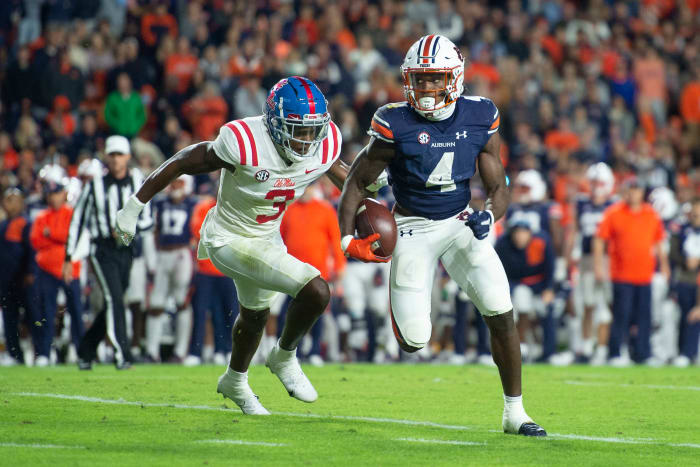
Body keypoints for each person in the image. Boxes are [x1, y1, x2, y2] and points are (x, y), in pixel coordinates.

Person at [114, 77, 385, 414]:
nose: (305, 140)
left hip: (266, 238)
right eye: (296, 129)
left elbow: (339, 170)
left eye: (312, 130)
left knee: (254, 315)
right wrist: (134, 205)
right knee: (316, 290)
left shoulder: (324, 143)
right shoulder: (244, 141)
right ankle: (284, 356)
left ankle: (235, 381)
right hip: (228, 238)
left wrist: (367, 195)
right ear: (273, 124)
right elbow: (185, 160)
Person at [337, 35, 546, 436]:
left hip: (462, 221)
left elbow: (499, 183)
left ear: (456, 77)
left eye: (435, 79)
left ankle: (515, 412)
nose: (427, 89)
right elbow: (357, 183)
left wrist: (490, 217)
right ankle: (404, 321)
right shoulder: (394, 121)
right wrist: (347, 239)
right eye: (420, 79)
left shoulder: (480, 114)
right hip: (411, 227)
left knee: (501, 311)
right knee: (415, 341)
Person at [65, 135, 153, 370]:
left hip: (127, 247)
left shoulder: (138, 181)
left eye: (119, 155)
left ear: (127, 157)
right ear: (106, 157)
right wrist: (68, 256)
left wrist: (125, 230)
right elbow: (78, 220)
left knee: (113, 303)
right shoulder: (94, 184)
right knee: (114, 299)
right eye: (111, 155)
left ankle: (85, 350)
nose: (115, 160)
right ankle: (122, 355)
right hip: (102, 249)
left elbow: (147, 220)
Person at [593, 177, 669, 366]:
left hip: (645, 274)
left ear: (642, 193)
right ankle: (615, 352)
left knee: (644, 315)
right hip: (621, 274)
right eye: (631, 189)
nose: (633, 193)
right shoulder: (614, 212)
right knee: (621, 314)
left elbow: (659, 242)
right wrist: (598, 266)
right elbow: (599, 239)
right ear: (625, 191)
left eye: (637, 189)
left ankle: (643, 353)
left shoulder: (651, 214)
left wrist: (664, 265)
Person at [30, 165, 85, 367]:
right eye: (51, 193)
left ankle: (81, 351)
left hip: (70, 269)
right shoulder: (42, 217)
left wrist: (50, 235)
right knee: (46, 313)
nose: (53, 197)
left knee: (77, 312)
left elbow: (72, 237)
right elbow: (36, 241)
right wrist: (58, 238)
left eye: (57, 192)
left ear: (64, 193)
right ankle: (44, 352)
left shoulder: (71, 213)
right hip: (46, 270)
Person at [145, 175, 196, 363]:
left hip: (182, 254)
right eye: (173, 181)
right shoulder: (159, 203)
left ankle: (180, 352)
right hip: (163, 254)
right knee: (156, 303)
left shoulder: (192, 204)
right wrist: (152, 258)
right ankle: (152, 352)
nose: (174, 186)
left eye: (179, 182)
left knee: (181, 300)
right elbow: (153, 231)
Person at [184, 195, 238, 367]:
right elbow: (198, 231)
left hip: (228, 269)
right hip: (206, 269)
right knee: (201, 312)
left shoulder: (236, 207)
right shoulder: (204, 207)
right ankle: (196, 351)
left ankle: (227, 350)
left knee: (230, 313)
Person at [572, 162, 615, 364]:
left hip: (610, 260)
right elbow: (574, 230)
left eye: (600, 182)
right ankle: (587, 345)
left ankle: (603, 348)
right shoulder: (581, 203)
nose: (597, 186)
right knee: (588, 303)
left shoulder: (615, 205)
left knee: (605, 305)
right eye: (594, 182)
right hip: (588, 259)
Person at [495, 219, 556, 363]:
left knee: (548, 309)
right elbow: (498, 271)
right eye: (517, 232)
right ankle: (519, 347)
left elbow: (550, 267)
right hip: (513, 285)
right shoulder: (503, 244)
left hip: (538, 286)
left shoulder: (541, 242)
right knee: (520, 305)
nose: (520, 236)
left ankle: (548, 352)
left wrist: (548, 289)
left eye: (524, 233)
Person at [0, 188, 32, 366]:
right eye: (7, 200)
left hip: (23, 278)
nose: (9, 204)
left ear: (21, 202)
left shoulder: (26, 223)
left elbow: (31, 251)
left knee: (32, 316)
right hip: (5, 280)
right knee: (9, 318)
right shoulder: (2, 225)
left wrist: (30, 272)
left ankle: (40, 352)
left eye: (13, 200)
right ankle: (14, 354)